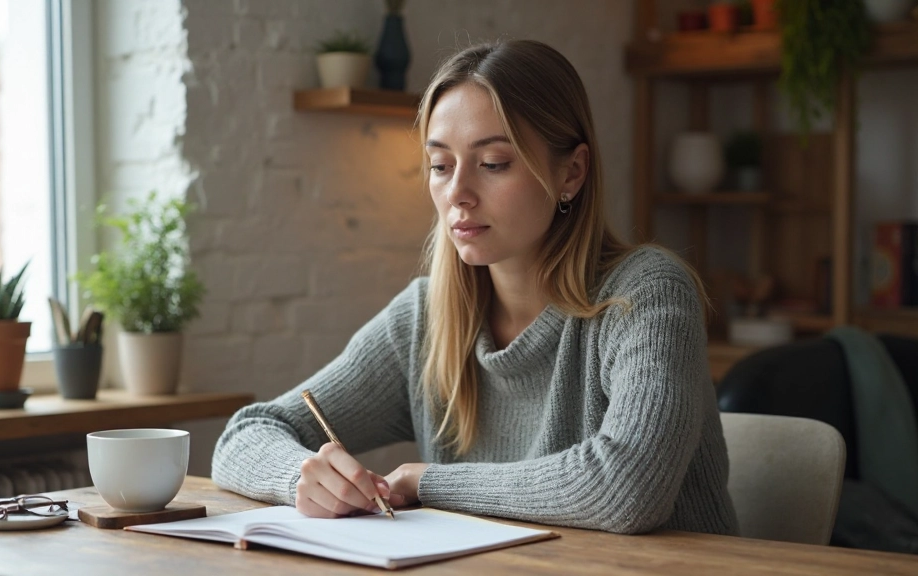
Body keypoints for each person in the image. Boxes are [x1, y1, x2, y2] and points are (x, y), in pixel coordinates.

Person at [212, 39, 738, 536]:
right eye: (440, 166)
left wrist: (426, 482)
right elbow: (244, 434)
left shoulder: (646, 294)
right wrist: (302, 479)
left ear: (572, 173)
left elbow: (627, 487)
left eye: (493, 163)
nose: (457, 193)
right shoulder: (423, 318)